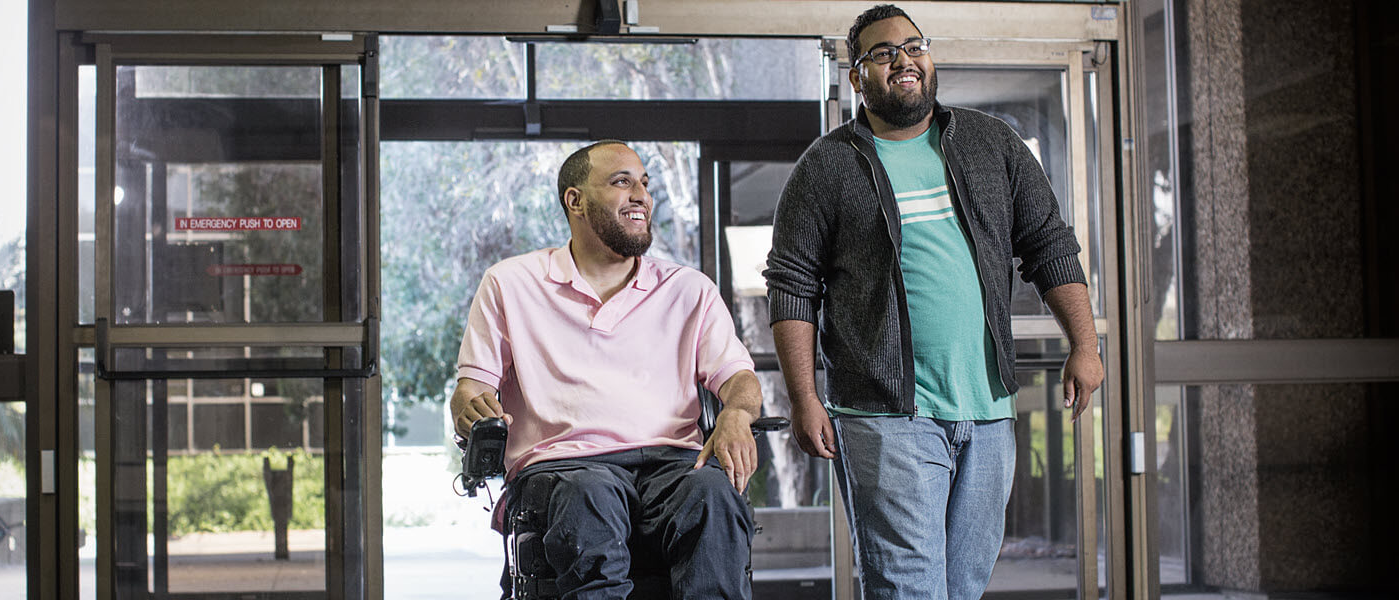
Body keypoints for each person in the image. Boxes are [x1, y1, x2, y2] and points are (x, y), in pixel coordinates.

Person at [762, 5, 1104, 599]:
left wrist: (1085, 344)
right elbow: (792, 285)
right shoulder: (828, 165)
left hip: (988, 410)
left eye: (914, 46)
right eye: (883, 52)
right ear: (857, 77)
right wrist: (804, 396)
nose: (904, 59)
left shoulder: (990, 143)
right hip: (886, 418)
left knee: (964, 587)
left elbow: (1049, 244)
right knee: (910, 591)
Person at [450, 140, 764, 599]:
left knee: (714, 494)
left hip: (670, 466)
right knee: (590, 493)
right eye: (622, 182)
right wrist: (469, 406)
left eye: (644, 184)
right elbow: (470, 388)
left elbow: (739, 378)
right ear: (574, 201)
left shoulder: (688, 290)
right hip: (565, 467)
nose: (641, 194)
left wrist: (737, 413)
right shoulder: (510, 283)